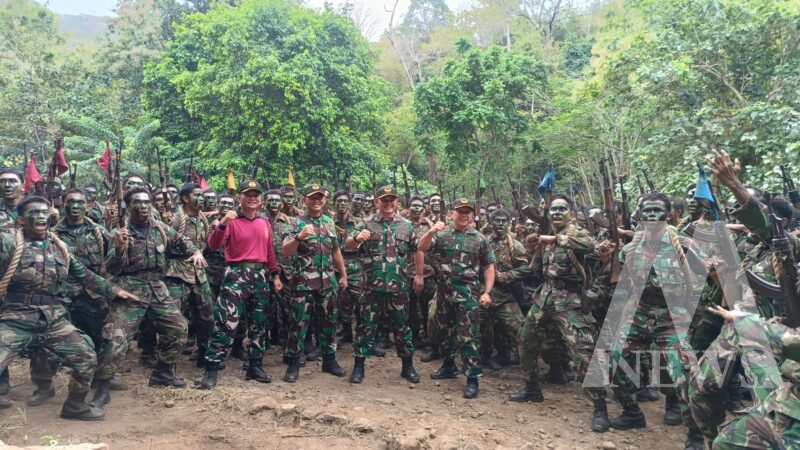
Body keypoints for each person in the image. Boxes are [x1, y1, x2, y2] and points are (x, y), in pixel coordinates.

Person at [0, 195, 138, 419]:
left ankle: (75, 406)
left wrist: (115, 291)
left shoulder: (59, 247)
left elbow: (84, 274)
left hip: (53, 319)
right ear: (21, 220)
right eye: (34, 212)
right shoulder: (8, 243)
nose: (40, 216)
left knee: (86, 356)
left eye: (44, 212)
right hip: (17, 318)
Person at [507, 195, 609, 432]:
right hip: (545, 298)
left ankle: (600, 407)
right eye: (553, 209)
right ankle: (532, 389)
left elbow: (590, 246)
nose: (556, 213)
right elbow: (534, 268)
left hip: (571, 302)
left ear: (570, 213)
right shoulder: (547, 238)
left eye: (562, 209)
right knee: (525, 340)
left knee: (583, 353)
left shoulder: (577, 233)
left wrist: (557, 238)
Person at [99, 187, 202, 390]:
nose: (143, 206)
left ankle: (163, 373)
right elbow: (109, 268)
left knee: (178, 327)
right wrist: (120, 249)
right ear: (128, 206)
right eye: (138, 202)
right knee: (116, 338)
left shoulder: (160, 228)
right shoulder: (119, 232)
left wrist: (196, 252)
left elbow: (183, 242)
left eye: (147, 202)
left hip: (157, 286)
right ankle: (103, 380)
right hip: (130, 288)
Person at [198, 180, 283, 389]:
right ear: (240, 199)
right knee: (226, 322)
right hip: (236, 274)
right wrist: (223, 223)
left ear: (260, 200)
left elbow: (269, 251)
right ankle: (211, 369)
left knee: (259, 324)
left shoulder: (265, 223)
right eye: (248, 195)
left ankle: (254, 365)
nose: (252, 198)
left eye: (256, 195)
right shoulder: (232, 220)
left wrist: (275, 275)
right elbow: (213, 245)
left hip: (260, 275)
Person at [415, 198, 495, 399]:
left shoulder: (479, 239)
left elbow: (489, 266)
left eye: (468, 212)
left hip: (468, 294)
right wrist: (433, 230)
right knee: (445, 331)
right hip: (444, 293)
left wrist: (487, 291)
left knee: (469, 337)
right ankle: (449, 366)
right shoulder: (442, 236)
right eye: (461, 212)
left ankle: (472, 378)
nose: (464, 215)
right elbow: (421, 247)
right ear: (453, 214)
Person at [347, 186, 419, 384]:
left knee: (402, 328)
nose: (388, 204)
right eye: (383, 200)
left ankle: (408, 366)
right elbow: (348, 244)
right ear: (376, 202)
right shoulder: (366, 224)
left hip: (399, 288)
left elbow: (417, 250)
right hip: (371, 287)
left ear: (396, 202)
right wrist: (356, 238)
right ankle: (359, 367)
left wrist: (417, 274)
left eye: (391, 200)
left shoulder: (407, 226)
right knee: (365, 327)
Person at [281, 183, 348, 383]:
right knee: (298, 324)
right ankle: (293, 364)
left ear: (325, 201)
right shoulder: (295, 223)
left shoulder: (329, 223)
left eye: (320, 198)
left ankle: (329, 360)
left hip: (327, 282)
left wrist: (342, 274)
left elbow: (335, 250)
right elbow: (286, 251)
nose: (317, 201)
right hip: (303, 283)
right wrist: (299, 238)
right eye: (312, 197)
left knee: (329, 323)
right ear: (305, 200)